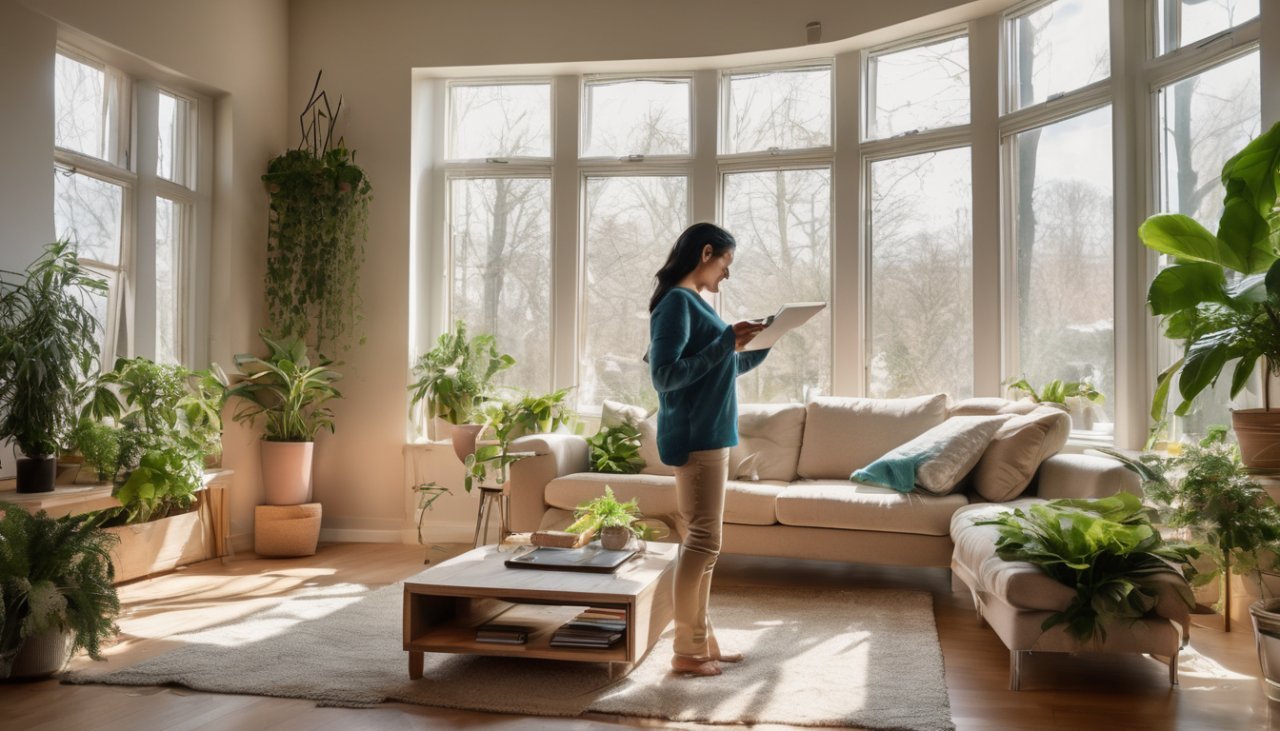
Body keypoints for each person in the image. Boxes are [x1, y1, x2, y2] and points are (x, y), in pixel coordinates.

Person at [648, 222, 770, 677]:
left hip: (711, 435)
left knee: (705, 546)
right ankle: (687, 651)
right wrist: (724, 342)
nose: (727, 273)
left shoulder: (693, 303)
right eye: (726, 262)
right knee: (702, 543)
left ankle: (702, 642)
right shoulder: (676, 304)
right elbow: (665, 376)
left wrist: (762, 343)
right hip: (695, 437)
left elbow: (719, 368)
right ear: (705, 254)